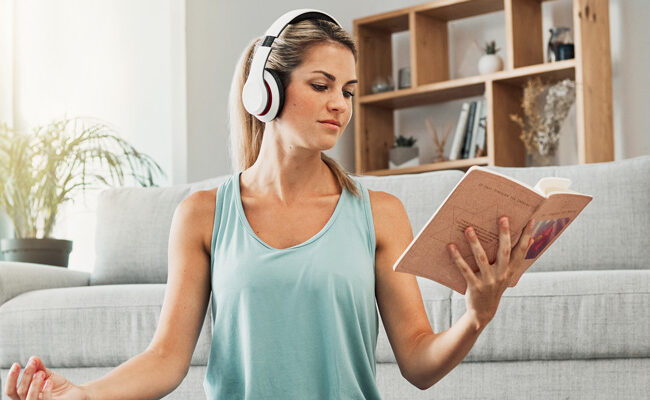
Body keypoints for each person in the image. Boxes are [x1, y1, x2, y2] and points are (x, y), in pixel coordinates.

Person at [4, 9, 536, 400]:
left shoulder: (382, 213)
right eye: (322, 84)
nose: (339, 105)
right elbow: (166, 360)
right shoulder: (202, 214)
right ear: (266, 93)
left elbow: (419, 363)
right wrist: (82, 395)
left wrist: (475, 316)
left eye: (348, 91)